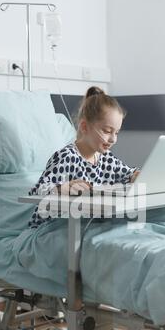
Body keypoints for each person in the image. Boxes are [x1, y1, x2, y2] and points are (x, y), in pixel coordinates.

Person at [28, 86, 140, 228]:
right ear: (84, 127)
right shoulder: (66, 157)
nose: (113, 139)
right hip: (52, 228)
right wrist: (64, 188)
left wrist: (137, 176)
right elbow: (38, 191)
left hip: (85, 225)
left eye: (116, 133)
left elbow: (128, 174)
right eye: (107, 131)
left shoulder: (107, 159)